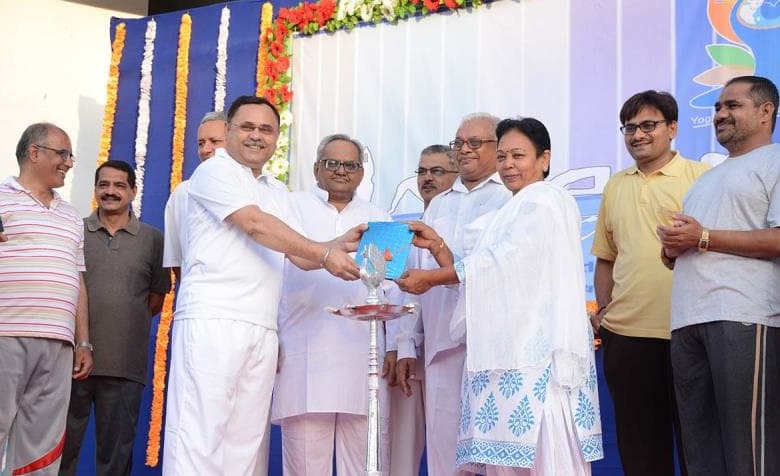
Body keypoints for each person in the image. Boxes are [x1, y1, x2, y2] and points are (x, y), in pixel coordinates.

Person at [162, 96, 363, 476]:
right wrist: (324, 253)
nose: (256, 136)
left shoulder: (276, 191)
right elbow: (254, 224)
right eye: (247, 127)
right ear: (230, 132)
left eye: (266, 129)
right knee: (198, 437)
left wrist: (345, 244)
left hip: (261, 327)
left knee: (245, 445)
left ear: (275, 138)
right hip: (213, 320)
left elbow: (299, 254)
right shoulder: (214, 173)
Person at [397, 117, 603, 475]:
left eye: (518, 156)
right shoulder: (514, 206)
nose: (508, 165)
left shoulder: (545, 199)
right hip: (508, 356)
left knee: (546, 462)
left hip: (537, 360)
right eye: (504, 156)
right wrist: (439, 249)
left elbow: (501, 262)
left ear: (544, 159)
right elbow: (481, 269)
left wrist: (431, 277)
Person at [658, 75, 780, 476]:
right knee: (699, 450)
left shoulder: (775, 161)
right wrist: (674, 248)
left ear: (766, 112)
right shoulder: (705, 178)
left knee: (748, 452)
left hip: (744, 316)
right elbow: (692, 248)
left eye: (732, 105)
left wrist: (704, 237)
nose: (720, 114)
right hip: (687, 321)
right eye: (716, 107)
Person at [591, 91, 709, 475]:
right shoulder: (615, 186)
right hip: (625, 337)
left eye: (648, 125)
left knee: (700, 446)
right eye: (629, 127)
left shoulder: (702, 178)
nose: (637, 135)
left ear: (672, 128)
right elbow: (606, 258)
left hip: (689, 332)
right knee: (640, 451)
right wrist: (604, 311)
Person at [272, 134, 395, 474]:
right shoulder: (290, 207)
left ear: (361, 172)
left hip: (364, 354)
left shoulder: (378, 216)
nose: (342, 171)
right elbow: (273, 273)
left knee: (366, 464)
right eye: (332, 163)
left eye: (351, 165)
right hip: (303, 350)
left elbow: (393, 287)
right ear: (316, 168)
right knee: (305, 465)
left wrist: (398, 345)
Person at [395, 113, 510, 476]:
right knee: (446, 457)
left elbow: (497, 269)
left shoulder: (511, 197)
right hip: (442, 344)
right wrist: (407, 343)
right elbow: (416, 273)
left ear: (499, 147)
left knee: (496, 456)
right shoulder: (439, 204)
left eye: (475, 143)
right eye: (458, 143)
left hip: (492, 347)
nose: (464, 150)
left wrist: (436, 274)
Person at [58, 160, 170, 476]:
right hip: (70, 363)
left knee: (116, 459)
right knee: (60, 452)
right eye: (104, 185)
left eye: (119, 186)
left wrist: (121, 322)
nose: (110, 192)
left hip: (124, 366)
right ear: (95, 190)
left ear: (133, 191)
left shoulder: (152, 239)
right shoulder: (74, 231)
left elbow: (155, 299)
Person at [0, 123, 92, 476]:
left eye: (70, 155)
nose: (69, 163)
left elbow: (77, 278)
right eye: (63, 154)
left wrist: (82, 341)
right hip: (7, 335)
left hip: (58, 344)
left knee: (42, 445)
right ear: (34, 153)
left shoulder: (71, 215)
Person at [383, 144, 459, 476]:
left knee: (454, 452)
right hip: (410, 357)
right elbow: (397, 293)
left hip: (453, 350)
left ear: (457, 176)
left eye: (437, 171)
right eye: (422, 171)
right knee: (400, 454)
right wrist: (399, 346)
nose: (428, 178)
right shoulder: (402, 228)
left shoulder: (462, 222)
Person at [163, 111, 227, 280]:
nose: (206, 149)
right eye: (201, 143)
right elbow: (176, 260)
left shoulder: (254, 186)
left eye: (215, 142)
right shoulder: (183, 192)